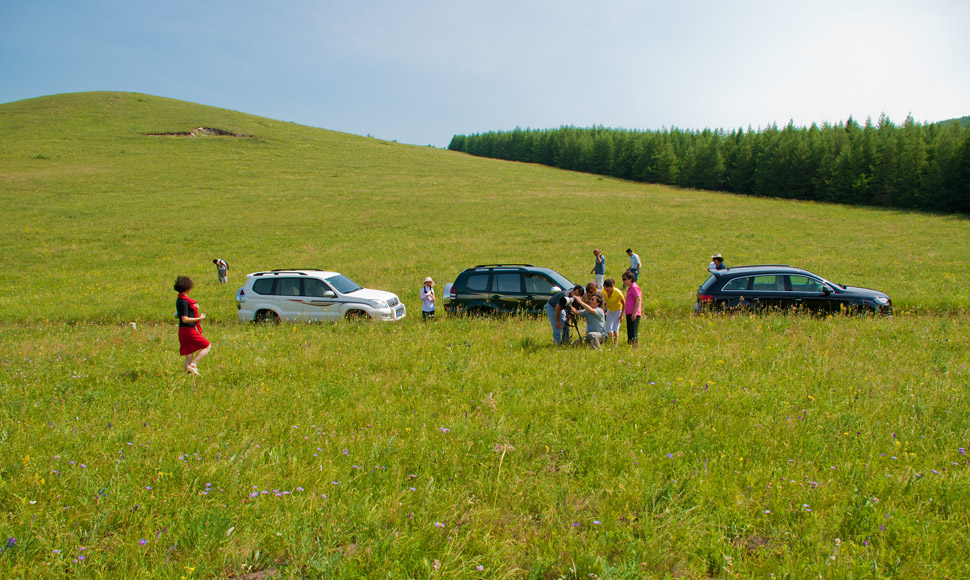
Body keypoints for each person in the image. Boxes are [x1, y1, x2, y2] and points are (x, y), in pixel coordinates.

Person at [174, 276, 210, 375]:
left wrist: (194, 307)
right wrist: (199, 318)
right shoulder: (185, 301)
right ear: (187, 289)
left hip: (182, 331)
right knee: (207, 345)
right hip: (188, 330)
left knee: (189, 354)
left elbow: (180, 313)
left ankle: (188, 375)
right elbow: (184, 319)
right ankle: (193, 365)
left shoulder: (180, 300)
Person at [602, 278, 625, 346]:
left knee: (615, 328)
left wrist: (621, 315)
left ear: (612, 287)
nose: (606, 289)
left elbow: (624, 303)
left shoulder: (618, 293)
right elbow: (603, 301)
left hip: (618, 310)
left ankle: (616, 344)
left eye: (608, 288)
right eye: (605, 287)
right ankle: (610, 340)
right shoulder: (603, 291)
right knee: (608, 328)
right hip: (610, 310)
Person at [622, 270, 641, 348]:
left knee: (633, 332)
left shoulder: (634, 287)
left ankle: (634, 347)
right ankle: (630, 346)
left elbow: (638, 300)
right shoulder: (630, 288)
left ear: (630, 279)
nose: (624, 281)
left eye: (625, 279)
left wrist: (634, 313)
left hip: (633, 313)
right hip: (629, 313)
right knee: (629, 331)